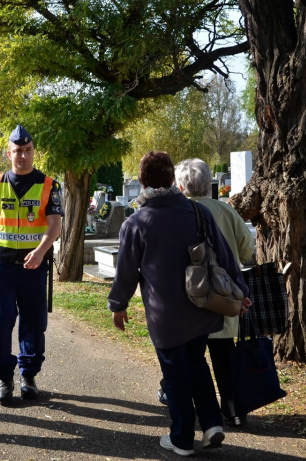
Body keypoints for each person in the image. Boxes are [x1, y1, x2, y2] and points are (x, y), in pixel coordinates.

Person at [107, 151, 251, 456]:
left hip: (165, 315)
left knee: (174, 373)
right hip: (201, 306)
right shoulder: (198, 213)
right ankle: (212, 423)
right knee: (197, 363)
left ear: (143, 180)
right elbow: (225, 255)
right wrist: (240, 288)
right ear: (173, 180)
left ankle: (182, 437)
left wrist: (118, 305)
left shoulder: (137, 222)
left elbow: (126, 271)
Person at [0, 125, 63, 405]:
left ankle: (29, 375)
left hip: (34, 268)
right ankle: (3, 377)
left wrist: (41, 250)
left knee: (33, 323)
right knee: (1, 323)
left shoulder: (49, 185)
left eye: (28, 150)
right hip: (3, 268)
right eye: (18, 151)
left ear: (33, 151)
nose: (23, 156)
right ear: (8, 153)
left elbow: (55, 224)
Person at [170, 158, 255, 427]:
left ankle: (187, 408)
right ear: (210, 184)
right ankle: (233, 411)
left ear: (181, 185)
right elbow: (247, 250)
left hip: (191, 295)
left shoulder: (180, 212)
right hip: (224, 295)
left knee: (188, 357)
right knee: (224, 357)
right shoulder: (226, 212)